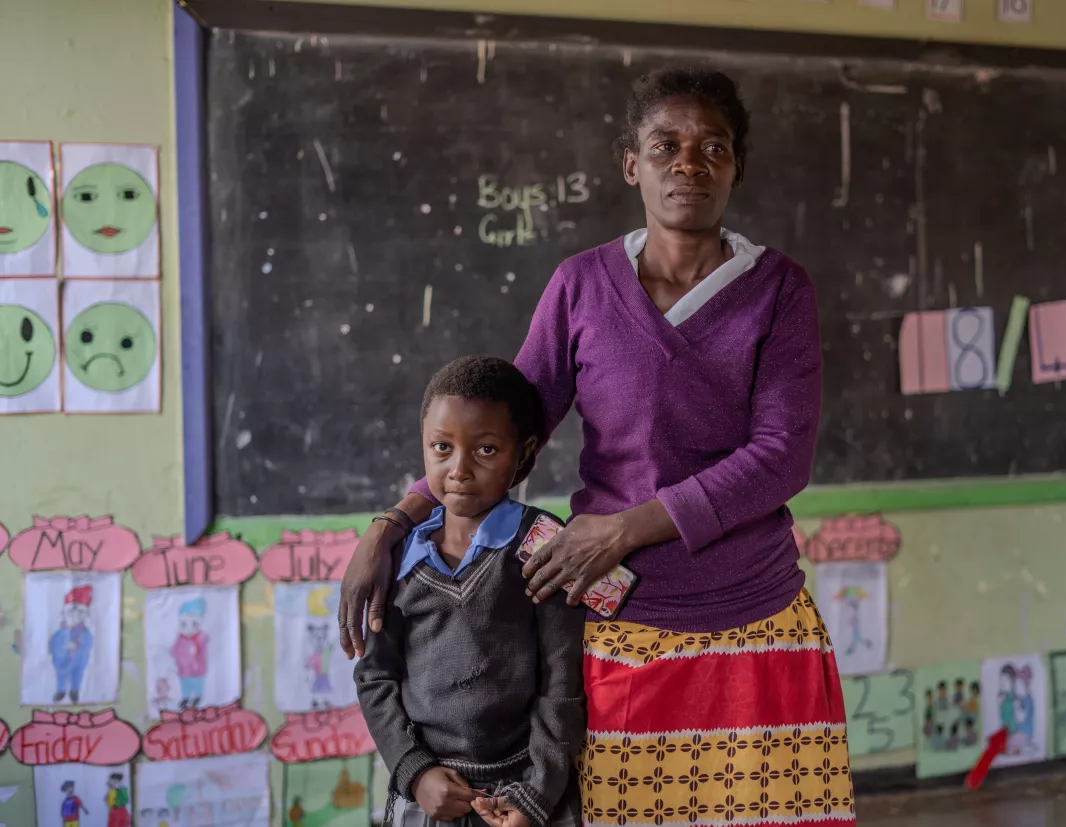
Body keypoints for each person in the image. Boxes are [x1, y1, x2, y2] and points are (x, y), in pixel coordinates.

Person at [340, 68, 855, 825]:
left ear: (737, 163)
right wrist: (393, 522)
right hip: (625, 626)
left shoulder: (779, 289)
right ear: (631, 165)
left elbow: (782, 456)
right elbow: (506, 430)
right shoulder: (583, 285)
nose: (690, 163)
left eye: (713, 146)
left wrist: (624, 527)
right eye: (666, 145)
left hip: (755, 615)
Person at [354, 357, 585, 827]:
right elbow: (375, 677)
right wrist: (415, 773)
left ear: (523, 454)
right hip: (431, 795)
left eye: (485, 450)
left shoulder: (541, 545)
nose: (458, 470)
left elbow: (562, 681)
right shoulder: (397, 557)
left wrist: (538, 791)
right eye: (442, 447)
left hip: (526, 793)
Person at [49, 585, 93, 703]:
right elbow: (53, 644)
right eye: (71, 611)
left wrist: (78, 648)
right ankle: (61, 691)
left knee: (76, 676)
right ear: (64, 612)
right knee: (61, 676)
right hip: (62, 661)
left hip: (78, 661)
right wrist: (62, 649)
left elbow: (87, 646)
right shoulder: (60, 632)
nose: (75, 615)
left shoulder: (85, 633)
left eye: (79, 612)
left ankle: (74, 691)